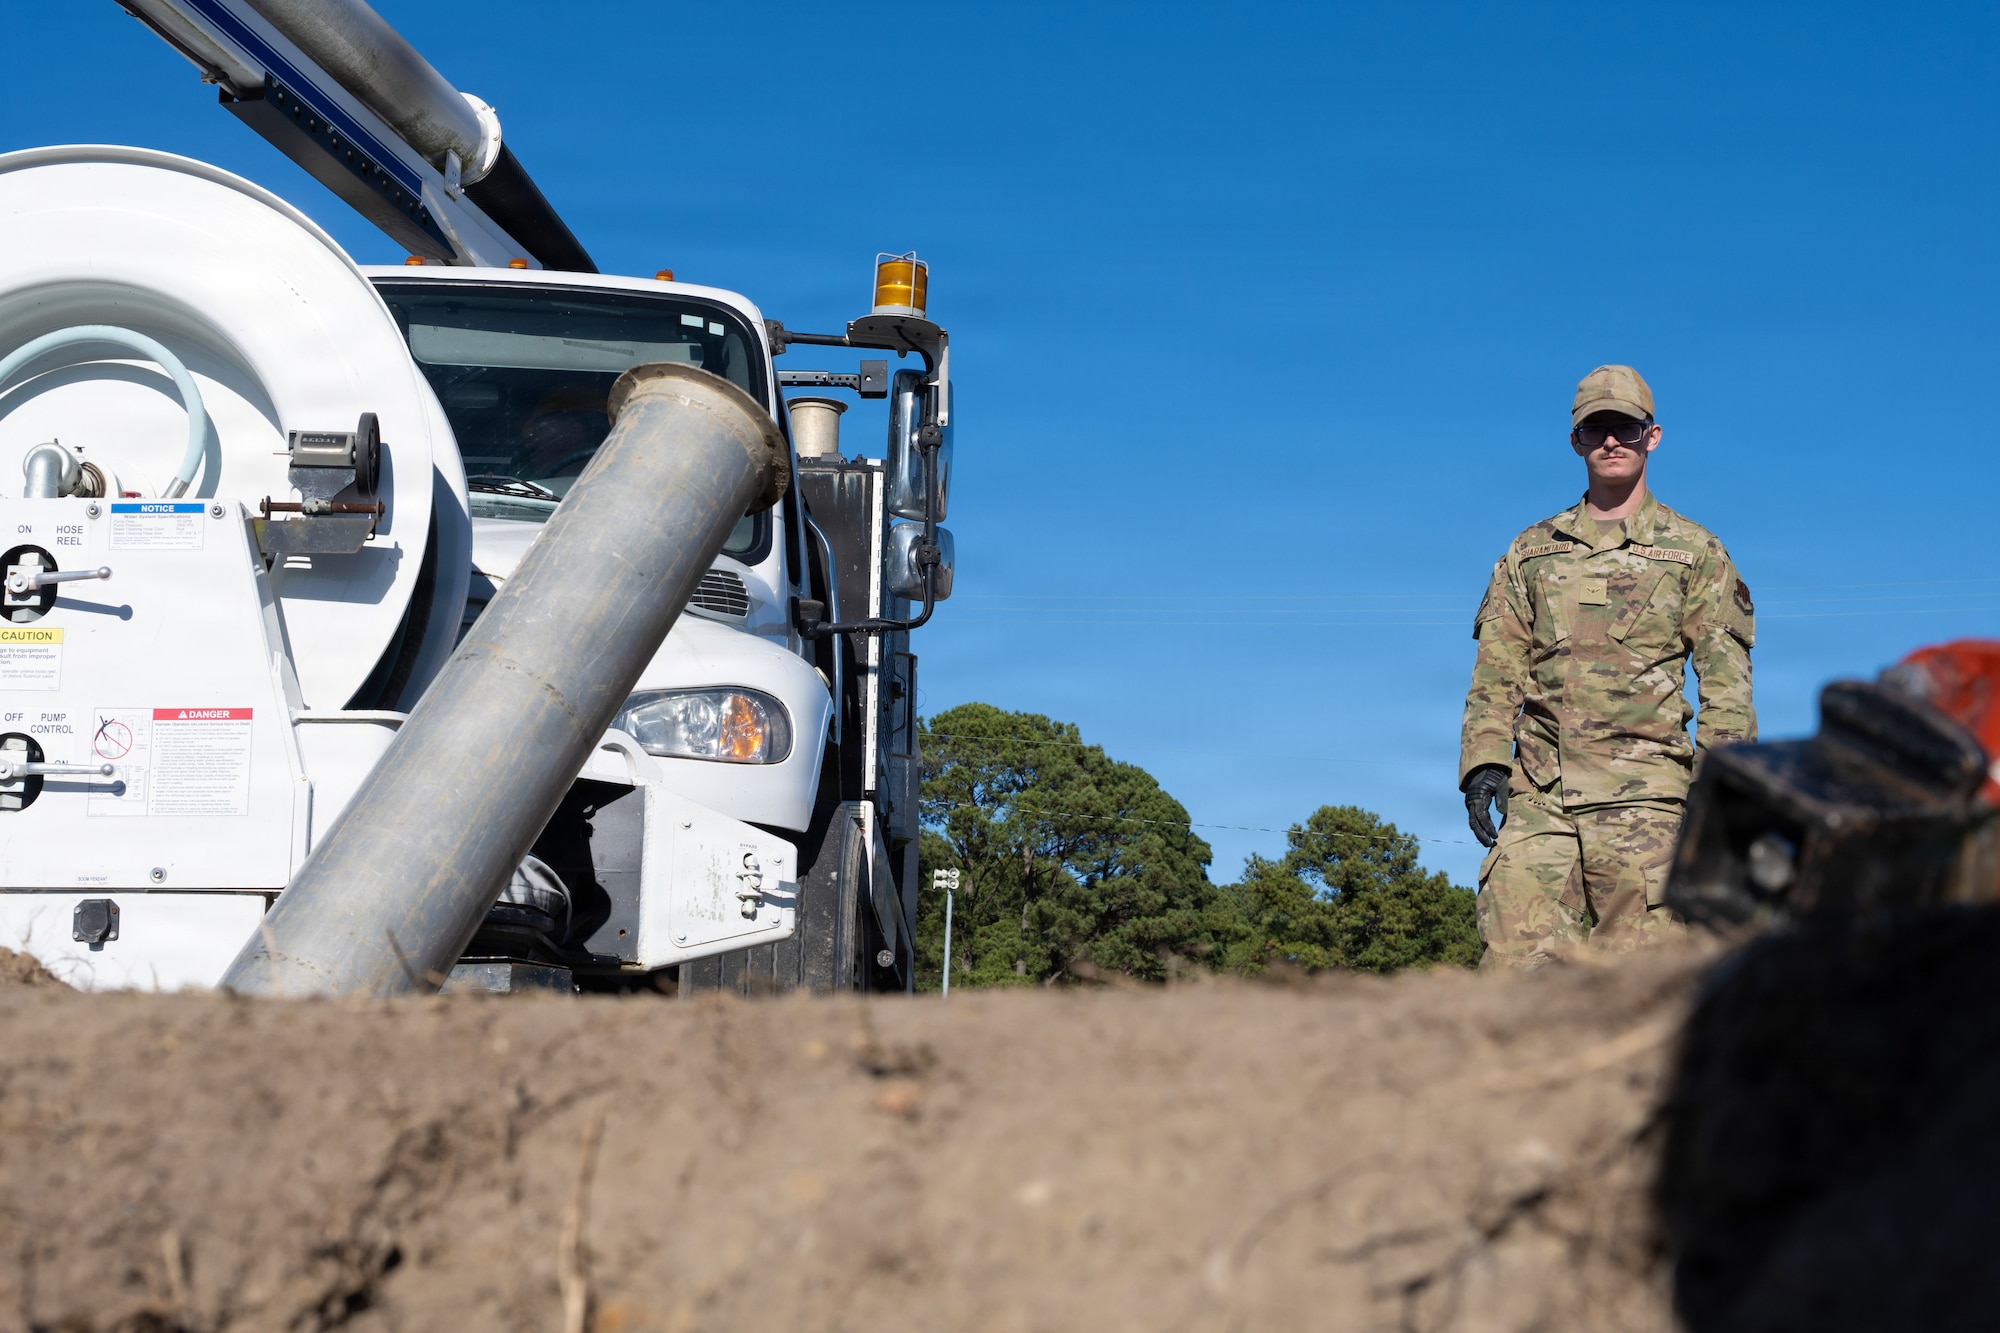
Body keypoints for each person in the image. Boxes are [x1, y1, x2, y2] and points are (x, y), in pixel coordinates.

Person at [1458, 364, 1755, 967]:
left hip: (1649, 806)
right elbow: (1498, 666)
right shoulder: (1531, 552)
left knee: (1645, 988)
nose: (1610, 441)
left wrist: (1724, 791)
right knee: (1513, 987)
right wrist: (1484, 762)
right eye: (1596, 430)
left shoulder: (1694, 551)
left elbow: (1726, 683)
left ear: (1653, 435)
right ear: (1576, 441)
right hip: (1540, 800)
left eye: (1624, 427)